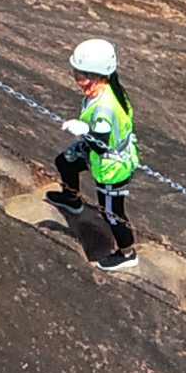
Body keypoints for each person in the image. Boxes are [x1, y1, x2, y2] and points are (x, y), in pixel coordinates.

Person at [49, 37, 141, 269]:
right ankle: (72, 199)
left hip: (112, 165)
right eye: (76, 72)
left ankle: (128, 253)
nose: (77, 79)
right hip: (100, 154)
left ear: (97, 75)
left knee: (111, 212)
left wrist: (84, 130)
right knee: (65, 161)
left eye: (82, 74)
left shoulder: (103, 108)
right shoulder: (110, 90)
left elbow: (101, 144)